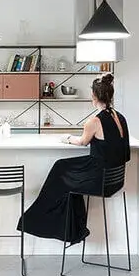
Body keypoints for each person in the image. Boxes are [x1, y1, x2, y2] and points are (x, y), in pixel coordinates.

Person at [17, 73, 130, 244]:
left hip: (100, 179)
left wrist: (67, 138)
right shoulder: (120, 117)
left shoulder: (94, 121)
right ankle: (73, 230)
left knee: (60, 169)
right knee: (66, 182)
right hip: (115, 179)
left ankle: (39, 220)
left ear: (94, 96)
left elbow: (83, 142)